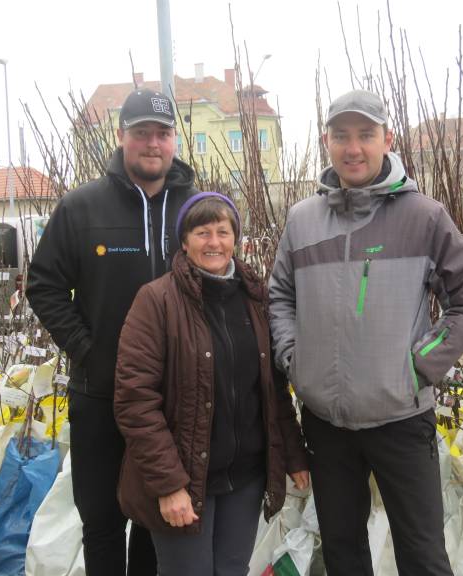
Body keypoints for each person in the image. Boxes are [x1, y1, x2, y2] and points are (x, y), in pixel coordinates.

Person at [269, 89, 463, 576]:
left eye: (366, 135)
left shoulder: (424, 216)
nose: (353, 148)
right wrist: (294, 358)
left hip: (401, 420)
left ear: (387, 140)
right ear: (326, 141)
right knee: (343, 554)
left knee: (423, 556)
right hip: (326, 424)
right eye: (341, 136)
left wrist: (419, 366)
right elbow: (280, 296)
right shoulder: (302, 220)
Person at [26, 88, 198, 575]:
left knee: (153, 519)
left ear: (174, 140)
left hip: (170, 400)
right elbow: (43, 285)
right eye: (141, 132)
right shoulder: (82, 207)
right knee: (101, 521)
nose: (152, 143)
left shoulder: (195, 208)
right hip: (99, 395)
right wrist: (88, 349)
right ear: (121, 137)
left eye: (162, 133)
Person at [114, 192, 309, 576]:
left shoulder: (254, 298)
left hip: (245, 477)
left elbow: (271, 389)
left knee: (233, 570)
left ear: (236, 238)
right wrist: (168, 485)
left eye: (223, 231)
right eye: (202, 232)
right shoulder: (157, 301)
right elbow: (135, 402)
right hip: (185, 479)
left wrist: (293, 453)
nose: (214, 242)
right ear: (184, 242)